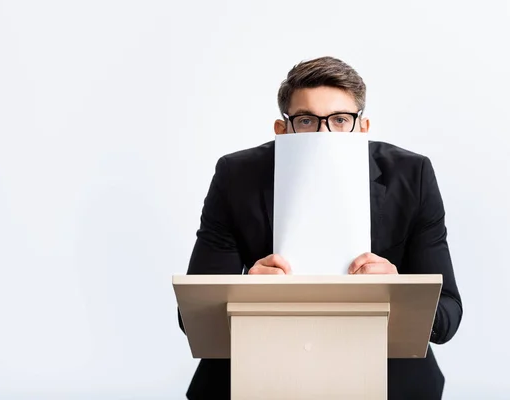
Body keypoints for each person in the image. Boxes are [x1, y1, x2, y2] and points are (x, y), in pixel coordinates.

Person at [178, 56, 463, 399]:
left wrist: (398, 286)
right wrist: (246, 291)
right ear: (282, 129)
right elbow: (191, 314)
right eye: (307, 120)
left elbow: (447, 315)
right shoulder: (236, 176)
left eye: (340, 120)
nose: (323, 133)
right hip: (259, 370)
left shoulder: (411, 175)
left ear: (363, 127)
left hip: (385, 374)